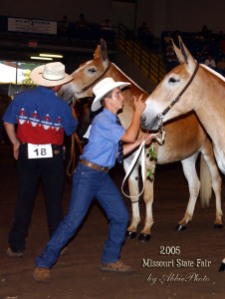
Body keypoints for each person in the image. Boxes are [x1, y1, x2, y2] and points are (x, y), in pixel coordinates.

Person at [33, 77, 157, 283]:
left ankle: (110, 258)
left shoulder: (109, 121)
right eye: (118, 94)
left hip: (99, 175)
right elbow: (128, 136)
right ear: (108, 100)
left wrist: (141, 141)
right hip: (89, 175)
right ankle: (43, 262)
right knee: (73, 220)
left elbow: (121, 150)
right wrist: (137, 112)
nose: (122, 97)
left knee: (120, 216)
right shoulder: (104, 120)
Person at [3, 62, 78, 258]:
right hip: (52, 157)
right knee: (54, 201)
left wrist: (15, 143)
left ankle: (17, 244)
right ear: (57, 85)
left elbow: (8, 121)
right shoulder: (62, 106)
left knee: (24, 199)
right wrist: (72, 114)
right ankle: (58, 243)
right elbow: (70, 130)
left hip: (27, 153)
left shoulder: (21, 98)